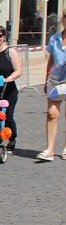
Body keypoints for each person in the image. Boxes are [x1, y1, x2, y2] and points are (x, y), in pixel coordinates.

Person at [37, 13, 66, 161]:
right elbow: (51, 59)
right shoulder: (55, 38)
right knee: (52, 113)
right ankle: (50, 150)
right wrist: (46, 79)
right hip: (55, 80)